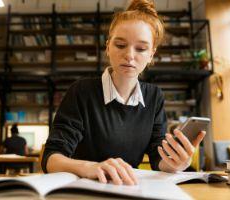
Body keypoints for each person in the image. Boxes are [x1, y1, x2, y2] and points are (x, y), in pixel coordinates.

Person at [42, 0, 206, 185]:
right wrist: (90, 168)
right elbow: (51, 159)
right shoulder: (81, 91)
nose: (129, 55)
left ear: (151, 54)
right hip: (82, 190)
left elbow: (157, 159)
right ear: (108, 47)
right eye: (120, 45)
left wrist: (176, 162)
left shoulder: (154, 97)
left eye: (141, 49)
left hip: (128, 190)